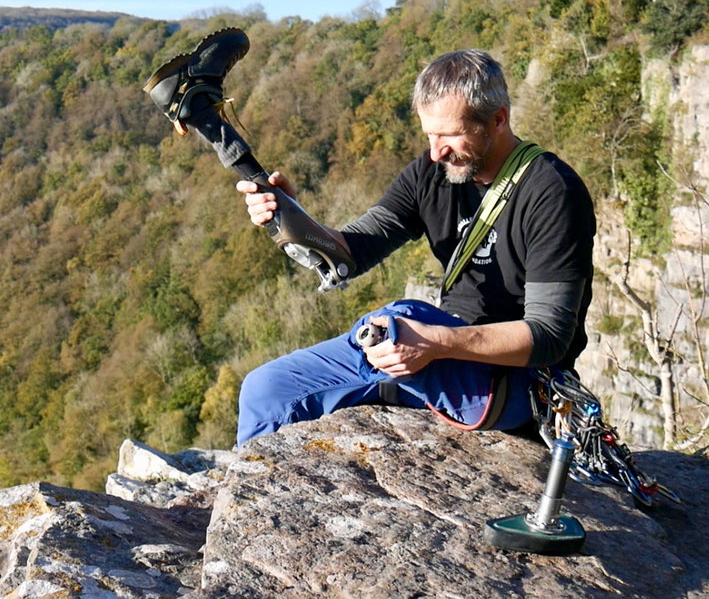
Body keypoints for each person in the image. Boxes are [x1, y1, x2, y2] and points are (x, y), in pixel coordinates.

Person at [143, 33, 595, 450]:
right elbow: (351, 251)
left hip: (519, 382)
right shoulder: (431, 173)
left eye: (450, 135)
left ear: (498, 120)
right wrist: (289, 216)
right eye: (429, 135)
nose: (437, 151)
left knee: (398, 317)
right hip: (436, 355)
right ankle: (245, 516)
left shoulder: (552, 192)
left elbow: (549, 337)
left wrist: (435, 341)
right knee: (267, 389)